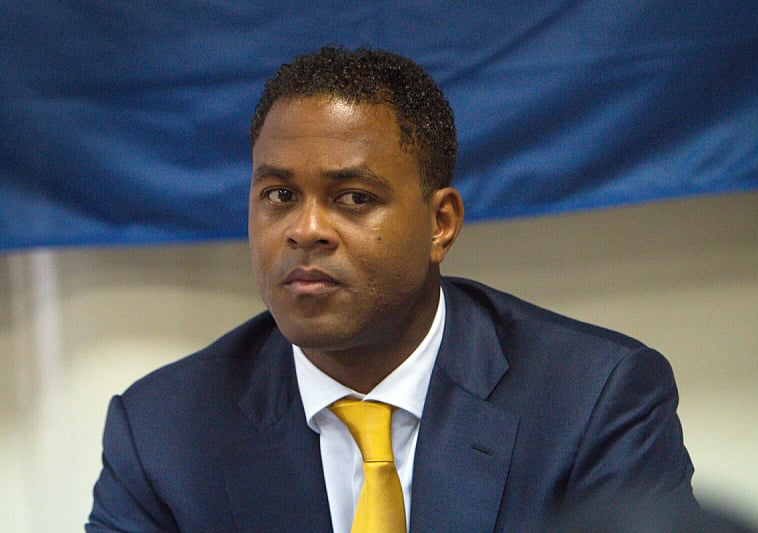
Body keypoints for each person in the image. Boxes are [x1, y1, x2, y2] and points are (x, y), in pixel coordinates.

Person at [87, 46, 698, 532]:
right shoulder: (162, 432)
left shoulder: (594, 399)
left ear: (440, 224)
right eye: (280, 195)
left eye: (354, 198)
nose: (305, 229)